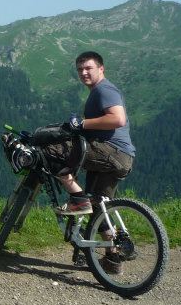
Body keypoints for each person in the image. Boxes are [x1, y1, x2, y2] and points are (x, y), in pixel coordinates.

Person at [52, 51, 136, 273]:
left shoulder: (104, 89)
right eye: (80, 69)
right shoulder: (99, 91)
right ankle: (113, 260)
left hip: (112, 153)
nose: (83, 73)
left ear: (101, 69)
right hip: (118, 157)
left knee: (53, 153)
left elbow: (117, 118)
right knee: (100, 206)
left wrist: (82, 124)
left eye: (88, 68)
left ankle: (78, 199)